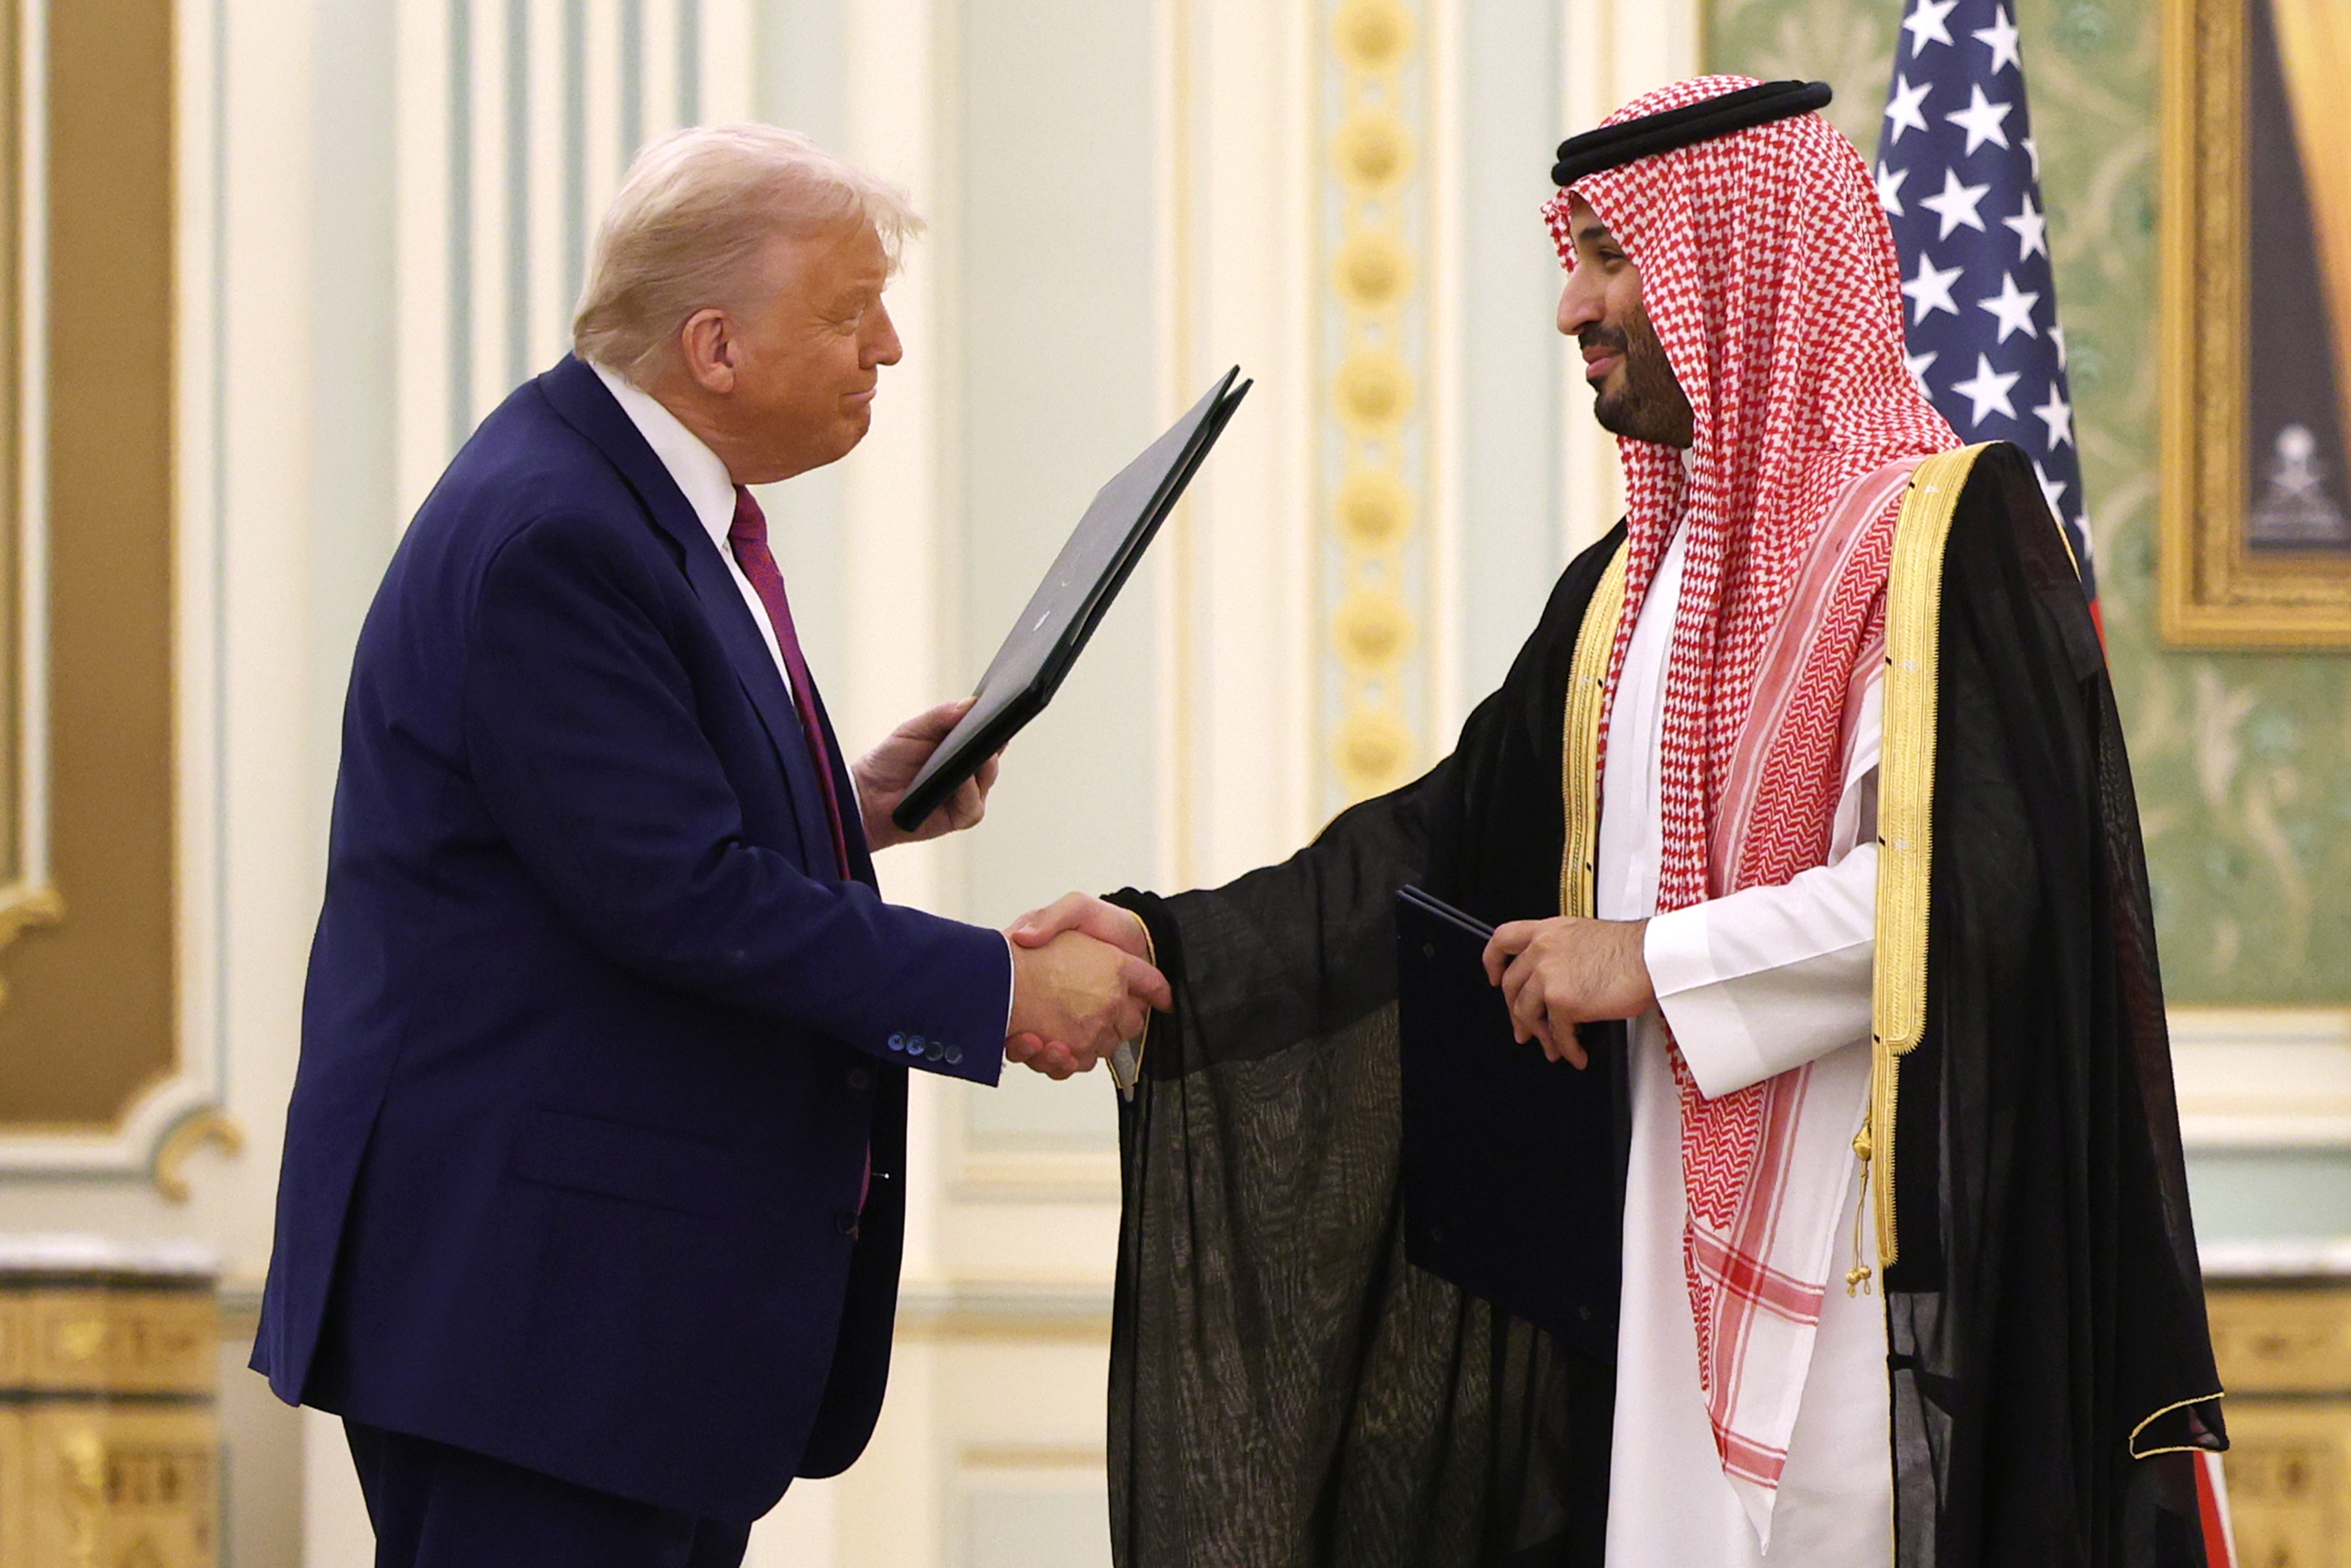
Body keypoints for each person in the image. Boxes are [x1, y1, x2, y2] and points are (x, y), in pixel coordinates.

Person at [1015, 77, 2224, 1567]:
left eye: (1609, 256)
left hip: (1867, 1280)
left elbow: (1981, 897)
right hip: (1639, 1271)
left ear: (1740, 263)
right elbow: (1427, 848)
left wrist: (1649, 959)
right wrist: (1165, 940)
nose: (1573, 307)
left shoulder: (1938, 540)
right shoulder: (1624, 593)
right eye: (1568, 257)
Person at [251, 125, 1167, 1568]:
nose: (891, 348)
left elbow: (607, 829)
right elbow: (675, 895)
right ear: (715, 346)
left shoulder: (630, 497)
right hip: (536, 1323)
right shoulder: (558, 532)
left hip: (593, 1315)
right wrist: (998, 989)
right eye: (849, 310)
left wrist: (841, 802)